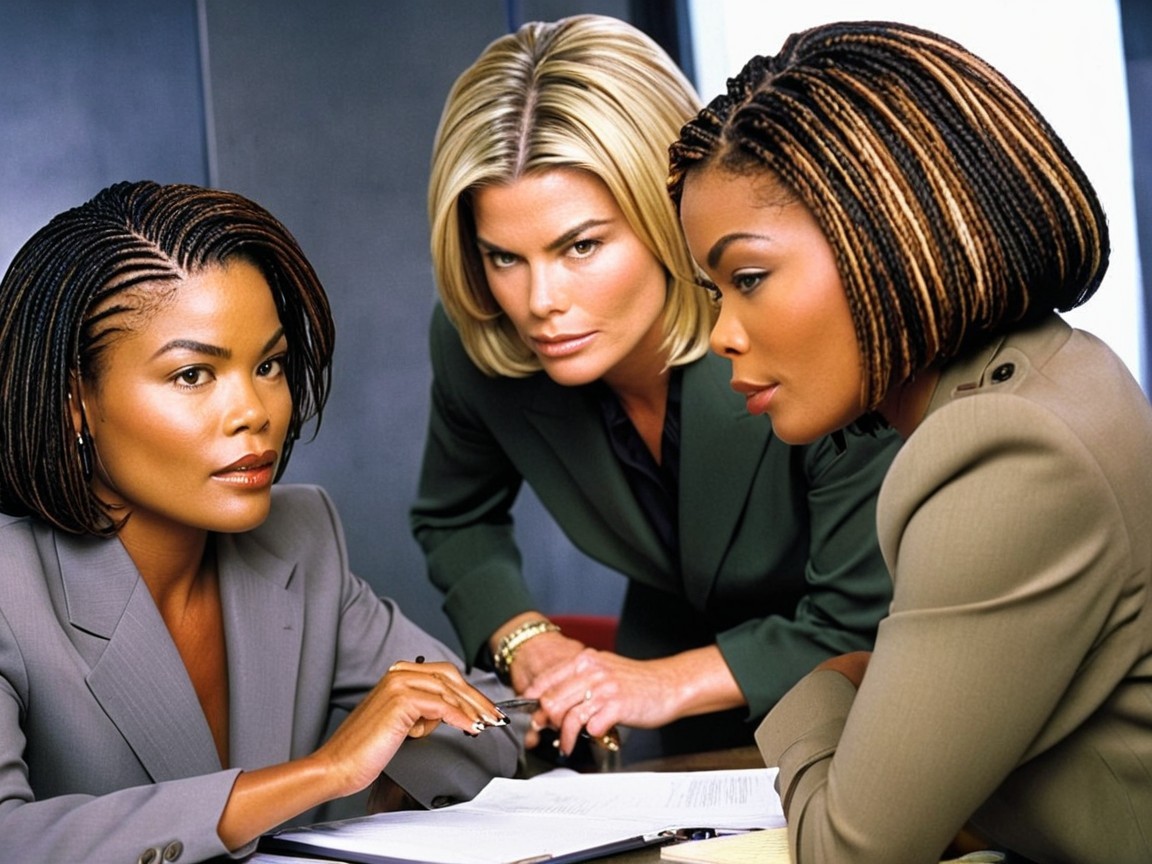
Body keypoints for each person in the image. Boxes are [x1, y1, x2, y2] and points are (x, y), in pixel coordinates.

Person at [670, 19, 1152, 863]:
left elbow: (849, 853)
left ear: (883, 239)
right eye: (713, 291)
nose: (722, 334)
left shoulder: (1003, 449)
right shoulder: (1057, 372)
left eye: (747, 279)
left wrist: (828, 683)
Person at [414, 12, 901, 763]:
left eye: (581, 245)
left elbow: (862, 613)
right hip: (656, 703)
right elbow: (455, 520)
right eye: (504, 257)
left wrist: (662, 683)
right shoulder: (478, 340)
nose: (539, 300)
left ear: (667, 211)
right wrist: (525, 640)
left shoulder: (803, 320)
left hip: (878, 682)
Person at [0, 180, 520, 864]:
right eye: (193, 375)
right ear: (76, 401)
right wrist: (327, 772)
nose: (255, 412)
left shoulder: (300, 537)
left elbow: (488, 717)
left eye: (268, 364)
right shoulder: (12, 595)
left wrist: (404, 774)